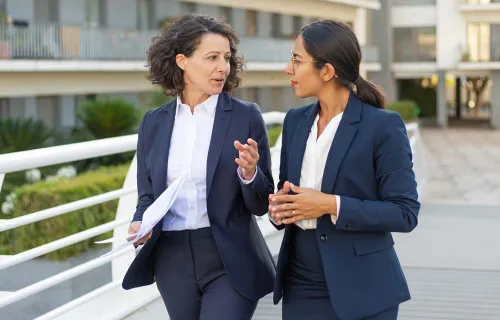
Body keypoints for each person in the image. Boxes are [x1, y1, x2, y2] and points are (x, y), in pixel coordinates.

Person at [121, 14, 276, 320]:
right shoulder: (153, 123)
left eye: (227, 58)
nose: (223, 67)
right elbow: (147, 195)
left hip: (229, 257)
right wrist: (141, 224)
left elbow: (260, 204)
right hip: (172, 259)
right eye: (212, 58)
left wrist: (249, 174)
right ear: (182, 61)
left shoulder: (245, 117)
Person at [268, 20, 420, 320]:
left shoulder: (383, 126)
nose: (289, 69)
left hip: (364, 285)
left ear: (327, 71)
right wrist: (281, 209)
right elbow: (287, 195)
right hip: (301, 281)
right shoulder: (295, 121)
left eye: (297, 61)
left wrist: (329, 205)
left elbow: (404, 212)